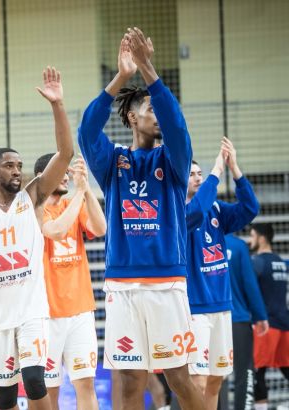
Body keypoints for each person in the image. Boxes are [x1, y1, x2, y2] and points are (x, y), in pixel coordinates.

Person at [77, 28, 204, 409]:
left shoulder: (174, 160)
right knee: (130, 381)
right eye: (151, 110)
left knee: (178, 377)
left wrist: (148, 68)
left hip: (166, 283)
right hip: (122, 285)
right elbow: (86, 131)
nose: (159, 117)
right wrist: (121, 77)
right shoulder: (113, 161)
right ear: (132, 118)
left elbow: (177, 125)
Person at [0, 66, 73, 410]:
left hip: (32, 312)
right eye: (9, 165)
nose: (16, 170)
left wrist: (57, 105)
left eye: (19, 165)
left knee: (35, 381)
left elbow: (65, 154)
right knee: (5, 396)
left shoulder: (32, 197)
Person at [183, 140, 260, 409]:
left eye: (200, 173)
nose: (198, 178)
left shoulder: (215, 208)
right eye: (191, 174)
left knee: (216, 379)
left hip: (222, 306)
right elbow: (196, 210)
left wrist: (234, 169)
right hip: (195, 308)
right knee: (198, 380)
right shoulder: (178, 211)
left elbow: (249, 209)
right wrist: (216, 171)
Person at [35, 152, 105, 410]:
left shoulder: (72, 204)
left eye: (67, 172)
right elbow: (56, 231)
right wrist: (79, 193)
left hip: (80, 312)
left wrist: (86, 190)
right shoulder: (34, 208)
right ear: (43, 176)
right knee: (48, 391)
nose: (66, 176)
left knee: (85, 385)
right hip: (47, 315)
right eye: (61, 172)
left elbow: (100, 228)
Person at [225, 233, 269, 410]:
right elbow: (249, 282)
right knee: (244, 373)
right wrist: (260, 315)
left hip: (205, 317)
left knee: (211, 373)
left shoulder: (194, 238)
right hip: (237, 318)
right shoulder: (238, 246)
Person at [248, 223, 289, 410]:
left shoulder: (257, 262)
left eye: (252, 236)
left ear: (262, 238)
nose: (250, 240)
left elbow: (250, 292)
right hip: (284, 324)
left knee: (257, 372)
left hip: (265, 325)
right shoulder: (281, 262)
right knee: (286, 368)